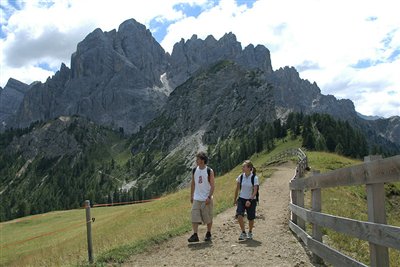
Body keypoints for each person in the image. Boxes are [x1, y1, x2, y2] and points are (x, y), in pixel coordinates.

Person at [188, 151, 215, 242]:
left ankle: (208, 233)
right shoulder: (195, 170)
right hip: (197, 198)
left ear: (202, 160)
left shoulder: (209, 171)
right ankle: (195, 234)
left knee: (207, 217)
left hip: (206, 198)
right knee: (194, 216)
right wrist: (192, 195)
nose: (196, 160)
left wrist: (209, 197)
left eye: (198, 159)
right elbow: (193, 184)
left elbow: (212, 185)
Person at [233, 160, 259, 240]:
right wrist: (235, 199)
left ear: (249, 168)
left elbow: (255, 191)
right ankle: (243, 232)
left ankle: (250, 231)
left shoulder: (254, 178)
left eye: (244, 166)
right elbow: (237, 189)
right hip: (241, 199)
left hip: (251, 200)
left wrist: (250, 200)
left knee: (251, 218)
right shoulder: (240, 177)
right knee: (239, 214)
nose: (242, 168)